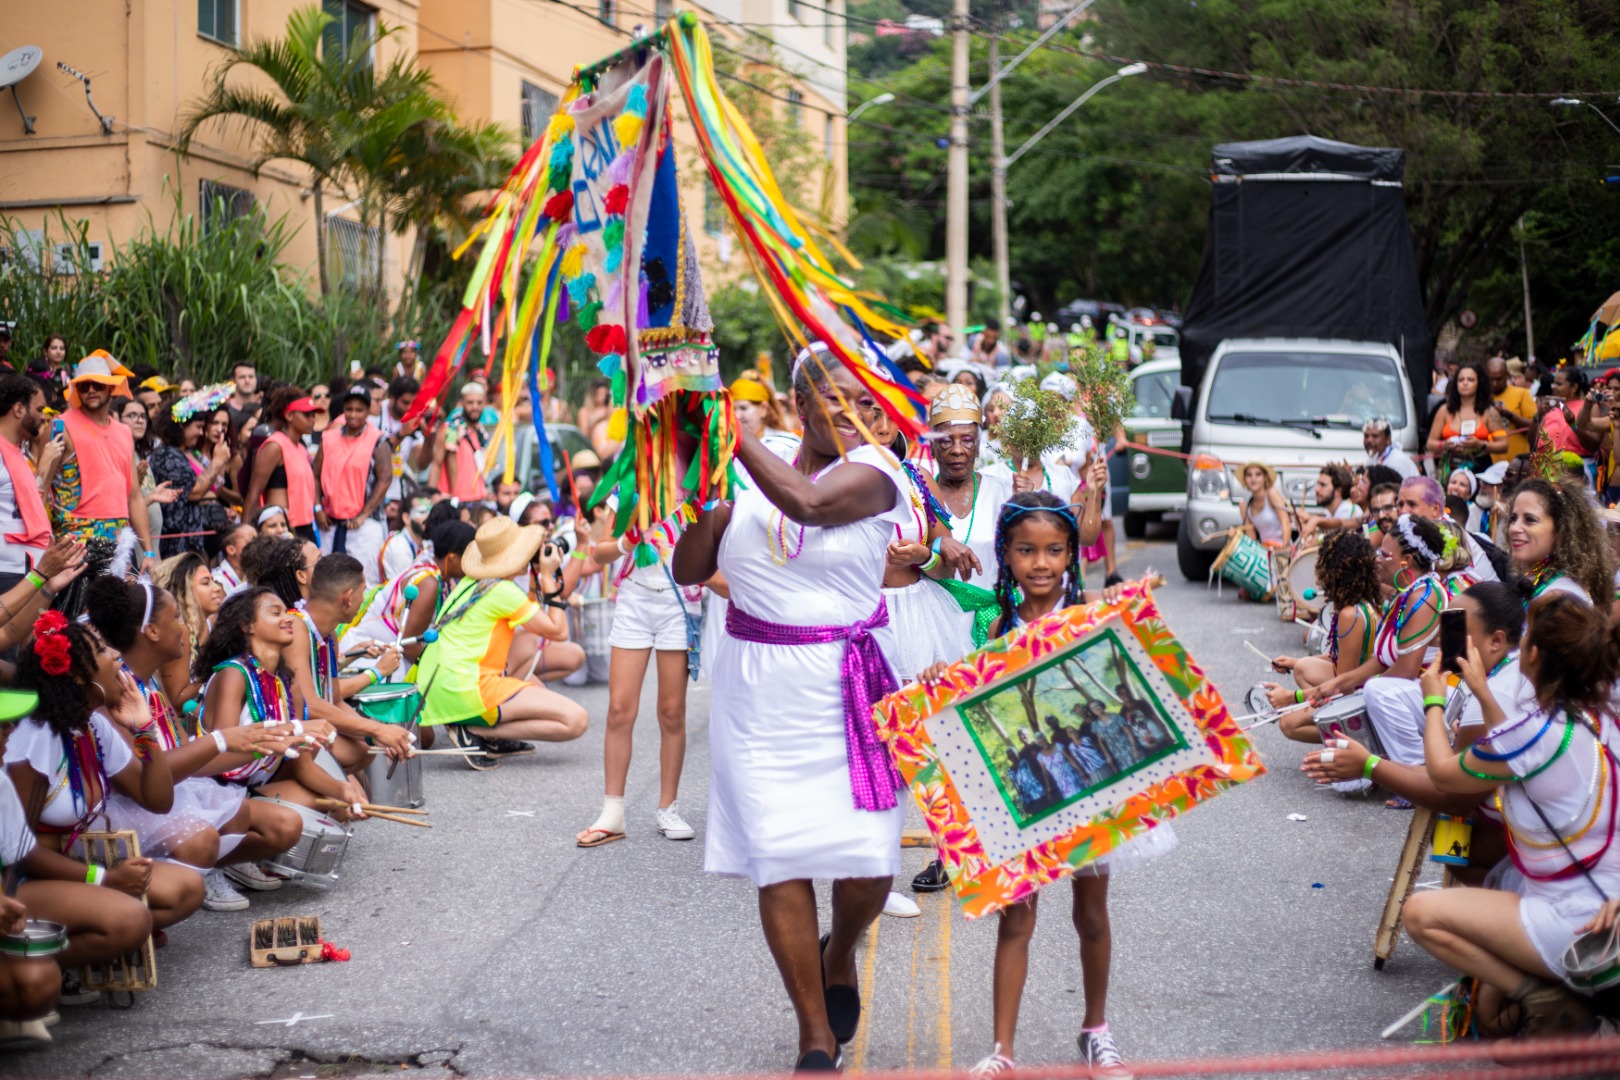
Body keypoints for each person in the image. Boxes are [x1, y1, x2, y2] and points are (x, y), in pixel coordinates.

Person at [671, 343, 938, 1070]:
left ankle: (840, 949)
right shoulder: (753, 472)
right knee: (779, 861)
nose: (852, 413)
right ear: (797, 405)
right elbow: (690, 569)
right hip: (756, 694)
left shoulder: (879, 472)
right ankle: (813, 1034)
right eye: (833, 397)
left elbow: (812, 506)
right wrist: (707, 501)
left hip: (847, 686)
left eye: (864, 398)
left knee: (869, 868)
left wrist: (728, 427)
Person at [929, 491, 1158, 1078]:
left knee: (1092, 914)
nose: (1041, 563)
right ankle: (1002, 1049)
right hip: (1023, 790)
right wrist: (939, 676)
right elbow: (974, 696)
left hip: (1089, 782)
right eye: (1026, 550)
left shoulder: (1090, 615)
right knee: (1018, 917)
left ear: (1071, 555)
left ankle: (1096, 1028)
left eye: (1054, 550)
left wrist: (1140, 606)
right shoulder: (997, 622)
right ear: (1005, 554)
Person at [1404, 592, 1620, 1039]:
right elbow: (1515, 747)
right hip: (1601, 902)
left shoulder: (1538, 733)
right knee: (1491, 875)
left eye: (1524, 642)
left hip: (1575, 921)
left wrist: (1433, 701)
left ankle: (1542, 997)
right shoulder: (1592, 721)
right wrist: (1483, 691)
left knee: (1421, 913)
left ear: (1533, 654)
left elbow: (1444, 774)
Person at [83, 575, 301, 913]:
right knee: (204, 839)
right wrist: (222, 739)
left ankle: (201, 873)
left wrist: (258, 744)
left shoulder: (149, 681)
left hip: (168, 787)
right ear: (151, 632)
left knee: (266, 820)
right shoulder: (116, 690)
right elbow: (145, 778)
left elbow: (189, 757)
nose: (184, 626)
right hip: (131, 803)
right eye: (175, 618)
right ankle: (150, 893)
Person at [5, 612, 205, 938]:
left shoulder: (93, 726)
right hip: (24, 882)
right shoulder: (36, 740)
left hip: (73, 870)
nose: (115, 654)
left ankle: (96, 937)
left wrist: (143, 729)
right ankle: (39, 962)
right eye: (101, 650)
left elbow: (157, 799)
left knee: (188, 889)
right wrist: (103, 879)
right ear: (80, 677)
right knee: (131, 921)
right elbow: (19, 851)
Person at [573, 506, 706, 847]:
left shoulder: (700, 484)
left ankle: (668, 808)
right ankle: (612, 812)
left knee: (672, 711)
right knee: (619, 708)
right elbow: (600, 552)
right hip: (634, 600)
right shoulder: (633, 486)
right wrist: (628, 541)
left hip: (679, 603)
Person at [415, 516, 588, 755]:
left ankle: (484, 722)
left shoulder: (472, 583)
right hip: (469, 689)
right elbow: (558, 631)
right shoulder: (502, 591)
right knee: (575, 720)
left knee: (527, 641)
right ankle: (478, 731)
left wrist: (536, 577)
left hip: (442, 686)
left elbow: (533, 623)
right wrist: (547, 577)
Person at [1261, 529, 1384, 739]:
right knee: (1302, 667)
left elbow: (1343, 686)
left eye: (1322, 562)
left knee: (1289, 723)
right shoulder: (1367, 603)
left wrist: (1292, 698)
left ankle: (1355, 738)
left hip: (1358, 697)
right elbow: (1345, 656)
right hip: (1363, 685)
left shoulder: (1350, 615)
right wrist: (1294, 661)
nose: (1317, 570)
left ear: (1335, 570)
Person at [40, 353, 158, 565]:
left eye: (97, 384)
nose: (91, 390)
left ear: (111, 387)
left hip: (118, 546)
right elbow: (40, 489)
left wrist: (148, 552)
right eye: (84, 386)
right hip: (74, 544)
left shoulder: (123, 432)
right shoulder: (60, 426)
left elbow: (134, 497)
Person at [932, 384, 1012, 591]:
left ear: (977, 447)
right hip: (936, 616)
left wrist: (1024, 506)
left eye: (967, 440)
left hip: (992, 617)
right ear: (932, 446)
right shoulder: (920, 497)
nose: (957, 450)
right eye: (946, 441)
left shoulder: (1004, 492)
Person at [315, 384, 391, 583]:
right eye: (349, 409)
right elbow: (315, 475)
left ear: (368, 412)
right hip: (330, 523)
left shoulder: (378, 440)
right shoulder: (328, 438)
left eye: (359, 410)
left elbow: (385, 479)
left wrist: (364, 514)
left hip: (363, 526)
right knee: (328, 580)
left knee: (365, 581)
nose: (353, 414)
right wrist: (318, 508)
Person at [1505, 476, 1613, 606]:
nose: (1514, 528)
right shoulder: (1541, 582)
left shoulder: (1562, 599)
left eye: (1530, 519)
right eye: (1513, 518)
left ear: (1561, 529)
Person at [148, 400, 232, 559]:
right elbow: (193, 492)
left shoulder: (186, 452)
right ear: (181, 426)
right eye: (198, 427)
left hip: (190, 539)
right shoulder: (167, 455)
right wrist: (218, 461)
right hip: (176, 544)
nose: (201, 433)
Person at [0, 375, 56, 592]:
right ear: (19, 409)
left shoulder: (18, 453)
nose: (44, 417)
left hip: (27, 569)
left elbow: (28, 506)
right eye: (40, 409)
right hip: (6, 572)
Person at [242, 388, 321, 542]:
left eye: (313, 415)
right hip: (282, 529)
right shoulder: (275, 445)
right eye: (306, 415)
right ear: (289, 415)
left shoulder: (301, 448)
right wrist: (245, 537)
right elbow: (254, 492)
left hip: (305, 526)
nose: (312, 419)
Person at [1399, 475, 1498, 584]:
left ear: (1435, 509)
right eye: (1400, 504)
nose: (1403, 511)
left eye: (1412, 504)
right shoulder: (1419, 531)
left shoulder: (1449, 535)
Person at [433, 382, 492, 504]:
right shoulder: (452, 428)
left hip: (479, 499)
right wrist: (432, 496)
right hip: (458, 500)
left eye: (479, 402)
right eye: (470, 402)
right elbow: (438, 464)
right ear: (462, 403)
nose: (475, 406)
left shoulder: (481, 431)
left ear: (484, 403)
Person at [1488, 356, 1536, 463]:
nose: (1494, 383)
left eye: (1499, 379)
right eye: (1491, 379)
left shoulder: (1521, 394)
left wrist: (1509, 415)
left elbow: (1535, 425)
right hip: (1489, 464)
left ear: (1507, 375)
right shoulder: (1481, 397)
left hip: (1518, 463)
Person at [1298, 463, 1360, 538]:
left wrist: (1311, 519)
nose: (1317, 489)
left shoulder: (1349, 510)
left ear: (1338, 491)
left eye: (1322, 485)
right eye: (1317, 484)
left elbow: (1335, 538)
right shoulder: (1329, 512)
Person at [1238, 461, 1290, 548]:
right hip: (1263, 550)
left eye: (1258, 474)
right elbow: (1252, 537)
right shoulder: (1244, 504)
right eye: (1249, 475)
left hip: (1282, 547)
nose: (1253, 478)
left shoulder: (1271, 493)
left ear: (1265, 477)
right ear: (1245, 479)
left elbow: (1286, 523)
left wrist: (1284, 549)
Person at [215, 522, 255, 598]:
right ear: (231, 550)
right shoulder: (219, 582)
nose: (257, 544)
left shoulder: (248, 574)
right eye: (251, 541)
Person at [224, 361, 258, 433]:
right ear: (233, 380)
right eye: (242, 377)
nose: (247, 381)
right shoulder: (225, 409)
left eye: (251, 377)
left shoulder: (263, 408)